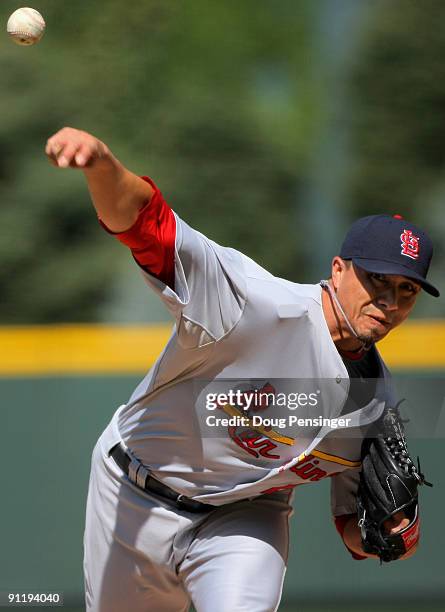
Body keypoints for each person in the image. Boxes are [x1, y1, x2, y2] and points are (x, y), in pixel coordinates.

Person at [46, 127, 439, 612]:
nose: (388, 300)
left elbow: (352, 530)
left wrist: (388, 536)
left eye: (407, 291)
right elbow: (149, 226)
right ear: (338, 269)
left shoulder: (372, 400)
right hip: (134, 493)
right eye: (376, 278)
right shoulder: (255, 302)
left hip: (245, 518)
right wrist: (102, 165)